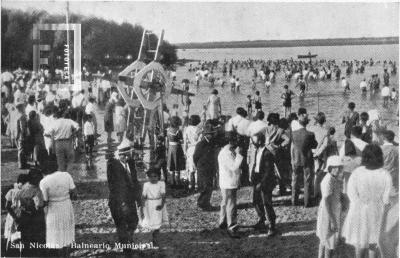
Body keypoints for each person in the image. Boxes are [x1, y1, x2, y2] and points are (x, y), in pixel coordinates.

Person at [342, 144, 393, 258]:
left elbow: (351, 193)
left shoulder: (357, 172)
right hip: (377, 211)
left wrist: (360, 204)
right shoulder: (385, 174)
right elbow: (386, 199)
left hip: (359, 211)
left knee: (360, 242)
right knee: (373, 242)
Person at [107, 139, 141, 255]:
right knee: (122, 226)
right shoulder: (112, 165)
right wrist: (122, 204)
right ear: (119, 155)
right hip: (118, 202)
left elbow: (135, 181)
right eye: (124, 156)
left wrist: (139, 200)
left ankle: (128, 240)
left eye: (128, 156)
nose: (127, 159)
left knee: (134, 222)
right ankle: (126, 249)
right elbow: (114, 187)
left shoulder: (130, 162)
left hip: (130, 199)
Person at [40, 161, 77, 256]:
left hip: (53, 209)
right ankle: (66, 254)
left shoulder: (44, 181)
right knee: (66, 231)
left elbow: (45, 201)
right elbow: (74, 194)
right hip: (66, 205)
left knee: (55, 232)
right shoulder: (66, 175)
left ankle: (57, 254)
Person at [316, 156, 345, 258]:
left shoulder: (334, 179)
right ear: (330, 168)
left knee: (324, 239)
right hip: (329, 214)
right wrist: (332, 220)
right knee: (329, 242)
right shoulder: (328, 181)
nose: (339, 169)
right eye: (336, 167)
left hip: (332, 212)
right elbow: (326, 202)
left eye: (340, 167)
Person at [250, 133, 277, 236]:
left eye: (254, 141)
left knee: (267, 203)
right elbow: (256, 165)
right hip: (257, 178)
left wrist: (261, 183)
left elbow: (268, 171)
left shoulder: (267, 153)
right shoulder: (257, 150)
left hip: (265, 181)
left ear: (260, 141)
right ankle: (261, 219)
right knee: (255, 201)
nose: (253, 143)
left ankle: (272, 226)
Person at [217, 132, 243, 238]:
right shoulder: (226, 153)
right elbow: (234, 167)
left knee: (225, 202)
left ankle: (222, 221)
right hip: (228, 182)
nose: (235, 143)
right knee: (231, 204)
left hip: (227, 181)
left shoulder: (227, 151)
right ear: (229, 141)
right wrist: (239, 155)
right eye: (234, 141)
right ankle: (231, 226)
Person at [14, 169, 45, 256]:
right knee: (35, 240)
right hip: (34, 218)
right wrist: (45, 203)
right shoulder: (37, 191)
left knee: (25, 239)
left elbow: (16, 201)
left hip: (23, 216)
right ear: (36, 180)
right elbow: (39, 205)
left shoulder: (24, 186)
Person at [291, 109, 318, 207]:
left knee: (295, 180)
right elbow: (315, 145)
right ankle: (307, 202)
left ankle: (294, 201)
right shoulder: (310, 134)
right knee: (307, 181)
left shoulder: (293, 133)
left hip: (296, 159)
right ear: (306, 124)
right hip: (307, 159)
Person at [140, 169, 169, 247]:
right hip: (149, 204)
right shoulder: (146, 185)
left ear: (159, 176)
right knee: (149, 222)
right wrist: (142, 209)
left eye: (155, 176)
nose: (153, 178)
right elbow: (143, 197)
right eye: (151, 177)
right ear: (148, 177)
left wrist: (162, 205)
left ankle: (155, 239)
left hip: (158, 204)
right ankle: (150, 238)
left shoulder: (161, 184)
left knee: (157, 223)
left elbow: (163, 196)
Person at [193, 123, 217, 211]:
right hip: (203, 168)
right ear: (205, 134)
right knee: (204, 187)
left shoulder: (212, 143)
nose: (211, 135)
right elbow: (195, 157)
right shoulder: (200, 144)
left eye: (212, 134)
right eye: (209, 134)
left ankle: (205, 203)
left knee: (209, 186)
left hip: (210, 167)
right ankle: (202, 203)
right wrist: (199, 166)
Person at [4, 174, 28, 252]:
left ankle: (20, 252)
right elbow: (7, 206)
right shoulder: (12, 192)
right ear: (18, 183)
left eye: (26, 183)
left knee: (21, 237)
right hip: (13, 216)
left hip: (22, 217)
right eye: (23, 183)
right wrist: (15, 217)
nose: (24, 185)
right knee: (12, 236)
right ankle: (8, 252)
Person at [183, 115, 201, 191]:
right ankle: (197, 185)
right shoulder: (199, 129)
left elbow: (185, 142)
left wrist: (184, 151)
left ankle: (191, 184)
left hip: (190, 149)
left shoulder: (187, 129)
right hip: (197, 148)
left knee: (191, 168)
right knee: (197, 168)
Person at [167, 116, 185, 187]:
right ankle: (177, 182)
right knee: (177, 165)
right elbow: (181, 141)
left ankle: (172, 182)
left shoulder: (168, 130)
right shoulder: (178, 131)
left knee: (171, 165)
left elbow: (167, 140)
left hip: (170, 148)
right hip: (177, 148)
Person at [15, 101, 28, 169]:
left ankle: (22, 163)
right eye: (23, 107)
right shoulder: (22, 116)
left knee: (21, 149)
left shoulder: (18, 115)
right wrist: (24, 134)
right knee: (21, 150)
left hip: (19, 134)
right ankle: (21, 164)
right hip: (22, 135)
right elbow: (22, 127)